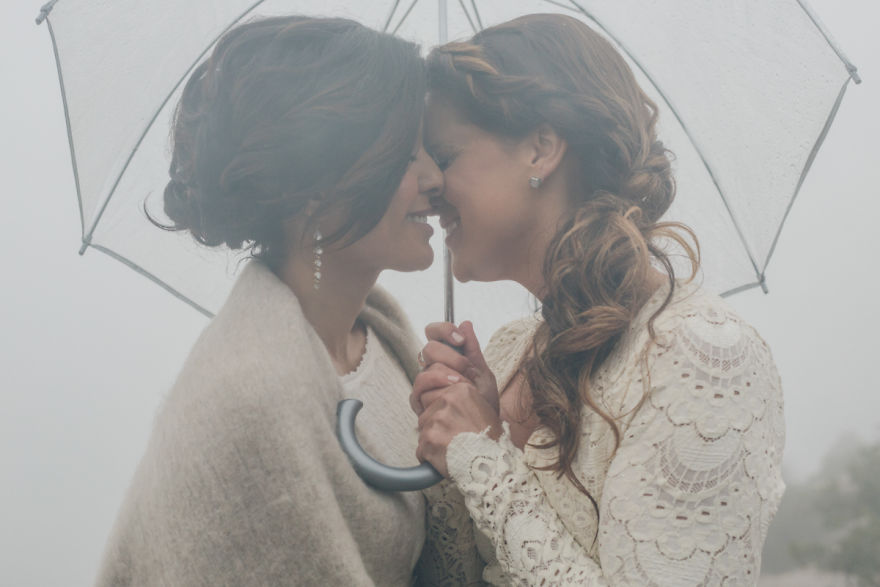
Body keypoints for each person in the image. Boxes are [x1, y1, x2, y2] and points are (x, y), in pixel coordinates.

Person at [411, 14, 785, 585]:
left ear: (540, 149)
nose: (430, 187)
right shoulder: (510, 354)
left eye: (444, 155)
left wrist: (481, 455)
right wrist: (451, 447)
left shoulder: (705, 355)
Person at [95, 16, 444, 586]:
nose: (436, 178)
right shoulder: (251, 398)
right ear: (315, 184)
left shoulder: (387, 343)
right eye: (407, 156)